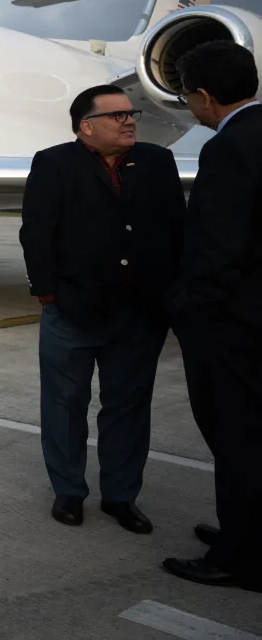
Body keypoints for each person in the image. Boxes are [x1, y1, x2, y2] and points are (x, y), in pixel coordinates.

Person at [19, 84, 185, 532]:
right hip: (72, 310)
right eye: (117, 116)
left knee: (128, 407)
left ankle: (121, 496)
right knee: (64, 403)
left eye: (131, 114)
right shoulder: (53, 163)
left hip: (139, 313)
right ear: (86, 126)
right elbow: (36, 232)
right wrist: (48, 293)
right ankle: (69, 491)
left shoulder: (157, 162)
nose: (130, 120)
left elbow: (175, 230)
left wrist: (168, 294)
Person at [163, 40, 262, 592]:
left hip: (235, 327)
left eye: (186, 96)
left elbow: (220, 249)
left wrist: (187, 311)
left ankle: (240, 557)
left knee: (237, 438)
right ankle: (243, 532)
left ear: (203, 97)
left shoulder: (230, 148)